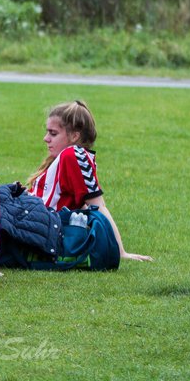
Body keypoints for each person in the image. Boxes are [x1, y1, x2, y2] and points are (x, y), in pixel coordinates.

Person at [26, 100, 152, 261]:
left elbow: (97, 206)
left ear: (74, 136)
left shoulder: (73, 155)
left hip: (37, 229)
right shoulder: (65, 158)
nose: (46, 138)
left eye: (53, 133)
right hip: (31, 223)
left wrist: (120, 251)